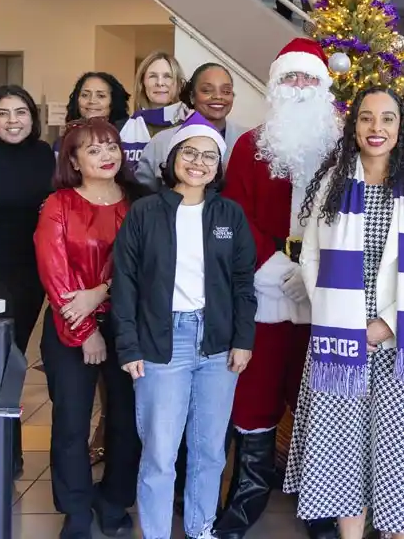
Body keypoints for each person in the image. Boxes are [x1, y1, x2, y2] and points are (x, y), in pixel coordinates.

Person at [284, 87, 404, 539]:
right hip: (341, 343)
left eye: (387, 119)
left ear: (401, 128)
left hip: (402, 344)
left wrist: (385, 325)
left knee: (397, 455)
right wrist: (340, 320)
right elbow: (311, 258)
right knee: (344, 452)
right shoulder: (331, 185)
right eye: (366, 119)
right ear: (353, 126)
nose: (376, 128)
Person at [215, 38, 343, 539]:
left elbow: (351, 218)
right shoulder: (251, 146)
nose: (299, 87)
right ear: (274, 86)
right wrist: (276, 269)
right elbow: (236, 214)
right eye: (290, 78)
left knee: (322, 398)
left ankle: (322, 505)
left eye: (308, 78)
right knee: (256, 393)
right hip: (265, 292)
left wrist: (311, 273)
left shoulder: (343, 146)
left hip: (325, 292)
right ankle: (248, 496)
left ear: (323, 85)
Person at [113, 113, 258, 539]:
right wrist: (129, 345)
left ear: (219, 165)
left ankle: (201, 529)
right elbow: (125, 282)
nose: (198, 162)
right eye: (190, 152)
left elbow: (242, 283)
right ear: (174, 156)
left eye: (209, 156)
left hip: (217, 343)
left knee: (210, 451)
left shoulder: (229, 214)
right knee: (160, 452)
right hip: (162, 341)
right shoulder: (145, 213)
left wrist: (243, 340)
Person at [35, 118, 143, 539]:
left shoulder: (139, 202)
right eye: (94, 149)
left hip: (127, 327)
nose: (106, 155)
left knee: (126, 420)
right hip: (68, 327)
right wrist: (86, 333)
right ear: (74, 160)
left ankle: (114, 498)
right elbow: (55, 274)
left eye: (111, 146)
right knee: (71, 423)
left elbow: (144, 267)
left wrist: (102, 291)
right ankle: (76, 507)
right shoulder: (59, 204)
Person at [136, 62, 247, 191]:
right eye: (207, 90)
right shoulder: (160, 142)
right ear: (192, 96)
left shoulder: (248, 140)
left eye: (226, 91)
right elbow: (143, 196)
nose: (218, 96)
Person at [120, 51, 189, 169]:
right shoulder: (122, 127)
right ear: (142, 82)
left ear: (178, 83)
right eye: (153, 76)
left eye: (167, 76)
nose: (160, 83)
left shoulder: (190, 124)